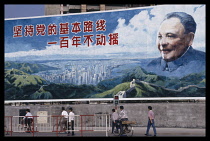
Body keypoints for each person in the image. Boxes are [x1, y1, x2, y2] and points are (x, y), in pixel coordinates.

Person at [145, 12, 205, 78]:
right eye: (160, 36)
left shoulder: (203, 63)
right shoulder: (151, 66)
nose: (162, 43)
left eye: (170, 36)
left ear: (189, 39)